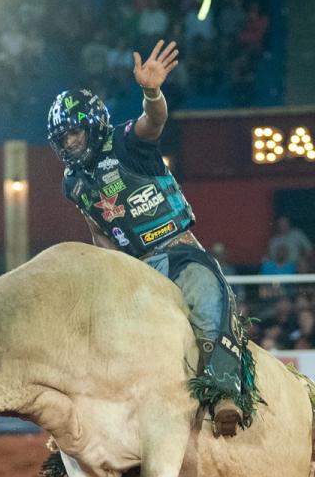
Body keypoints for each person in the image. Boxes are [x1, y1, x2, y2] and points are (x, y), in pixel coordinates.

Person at [46, 39, 256, 439]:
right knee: (93, 335)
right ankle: (83, 433)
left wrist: (152, 92)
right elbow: (98, 231)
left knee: (212, 298)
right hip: (131, 269)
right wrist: (108, 279)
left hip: (177, 252)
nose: (69, 143)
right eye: (63, 138)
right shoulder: (72, 184)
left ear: (92, 126)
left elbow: (154, 121)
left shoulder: (126, 140)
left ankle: (224, 393)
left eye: (73, 133)